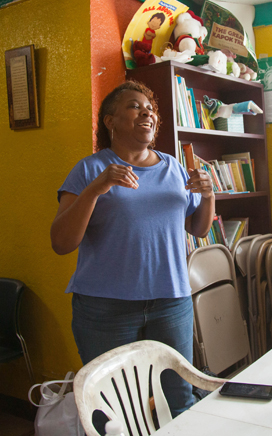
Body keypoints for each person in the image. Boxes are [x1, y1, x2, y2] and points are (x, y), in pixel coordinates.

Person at [50, 80, 214, 417]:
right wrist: (97, 189)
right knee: (114, 409)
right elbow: (61, 242)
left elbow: (197, 229)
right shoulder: (89, 170)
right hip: (105, 310)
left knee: (180, 400)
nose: (147, 113)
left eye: (150, 109)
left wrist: (209, 196)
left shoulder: (174, 167)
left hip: (171, 302)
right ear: (110, 121)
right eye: (135, 106)